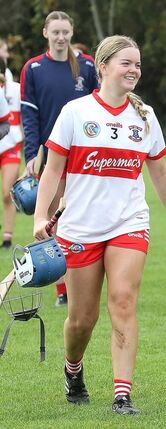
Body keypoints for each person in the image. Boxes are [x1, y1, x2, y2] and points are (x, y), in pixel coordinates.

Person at [32, 34, 166, 415]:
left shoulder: (144, 116)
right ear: (102, 67)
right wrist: (39, 215)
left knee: (123, 300)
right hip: (80, 228)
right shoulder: (75, 112)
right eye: (126, 63)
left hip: (128, 223)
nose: (134, 70)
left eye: (137, 64)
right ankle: (73, 369)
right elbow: (53, 170)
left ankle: (122, 393)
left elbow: (162, 173)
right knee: (82, 319)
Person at [20, 10, 99, 306]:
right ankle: (62, 289)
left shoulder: (87, 65)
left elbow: (99, 109)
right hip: (52, 155)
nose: (61, 37)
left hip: (85, 154)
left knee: (84, 215)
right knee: (57, 220)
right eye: (55, 32)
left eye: (65, 31)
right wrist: (32, 154)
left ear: (72, 32)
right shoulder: (33, 68)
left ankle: (86, 279)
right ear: (45, 34)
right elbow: (30, 114)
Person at [0, 62, 22, 248]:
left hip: (11, 146)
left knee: (7, 193)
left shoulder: (16, 89)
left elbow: (26, 118)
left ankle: (7, 237)